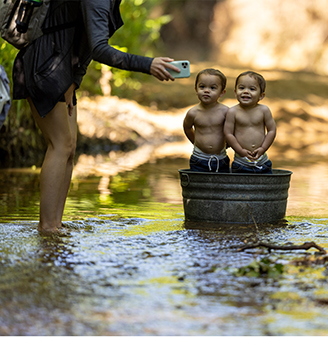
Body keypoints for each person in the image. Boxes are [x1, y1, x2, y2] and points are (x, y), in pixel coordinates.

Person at [12, 0, 179, 233]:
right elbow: (99, 48)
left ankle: (55, 226)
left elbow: (83, 42)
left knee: (69, 147)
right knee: (60, 145)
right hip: (46, 66)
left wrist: (73, 81)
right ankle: (48, 228)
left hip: (59, 67)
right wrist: (147, 64)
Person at [224, 71, 276, 174]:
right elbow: (228, 133)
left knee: (265, 188)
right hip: (241, 162)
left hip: (262, 161)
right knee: (239, 188)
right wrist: (240, 150)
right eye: (241, 88)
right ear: (235, 92)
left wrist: (263, 148)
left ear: (261, 95)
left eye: (252, 89)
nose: (246, 92)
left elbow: (272, 130)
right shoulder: (233, 111)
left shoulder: (264, 110)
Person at [183, 69, 230, 172]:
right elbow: (187, 128)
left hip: (221, 159)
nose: (206, 90)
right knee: (199, 186)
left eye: (213, 88)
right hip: (199, 159)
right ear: (196, 89)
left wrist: (229, 144)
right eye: (202, 87)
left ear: (222, 92)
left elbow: (234, 130)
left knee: (223, 186)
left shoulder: (226, 112)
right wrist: (196, 142)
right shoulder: (193, 113)